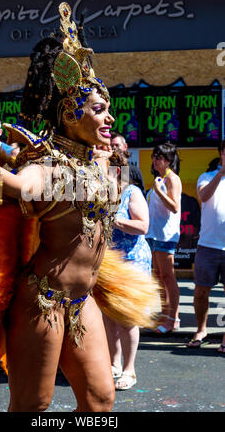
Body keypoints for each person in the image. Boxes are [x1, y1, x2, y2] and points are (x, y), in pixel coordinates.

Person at [0, 2, 158, 412]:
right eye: (99, 110)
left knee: (101, 402)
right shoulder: (47, 164)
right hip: (43, 300)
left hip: (81, 302)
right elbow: (13, 186)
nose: (109, 119)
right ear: (70, 113)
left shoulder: (100, 163)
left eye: (109, 109)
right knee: (33, 406)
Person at [104, 150, 152, 390]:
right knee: (108, 317)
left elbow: (143, 226)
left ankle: (129, 370)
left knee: (126, 319)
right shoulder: (100, 193)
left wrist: (113, 220)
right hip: (108, 264)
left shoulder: (132, 192)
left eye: (105, 169)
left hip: (131, 262)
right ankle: (113, 364)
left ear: (118, 171)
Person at [188, 140, 225, 351]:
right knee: (201, 293)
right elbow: (203, 196)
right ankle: (201, 329)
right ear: (221, 153)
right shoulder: (208, 176)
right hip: (208, 246)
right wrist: (221, 174)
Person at [146, 142, 182, 334]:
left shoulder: (172, 179)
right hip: (154, 234)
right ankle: (165, 315)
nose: (154, 160)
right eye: (154, 156)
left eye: (158, 157)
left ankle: (173, 318)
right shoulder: (161, 178)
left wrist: (159, 191)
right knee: (159, 276)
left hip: (166, 235)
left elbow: (174, 207)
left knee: (168, 277)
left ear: (168, 161)